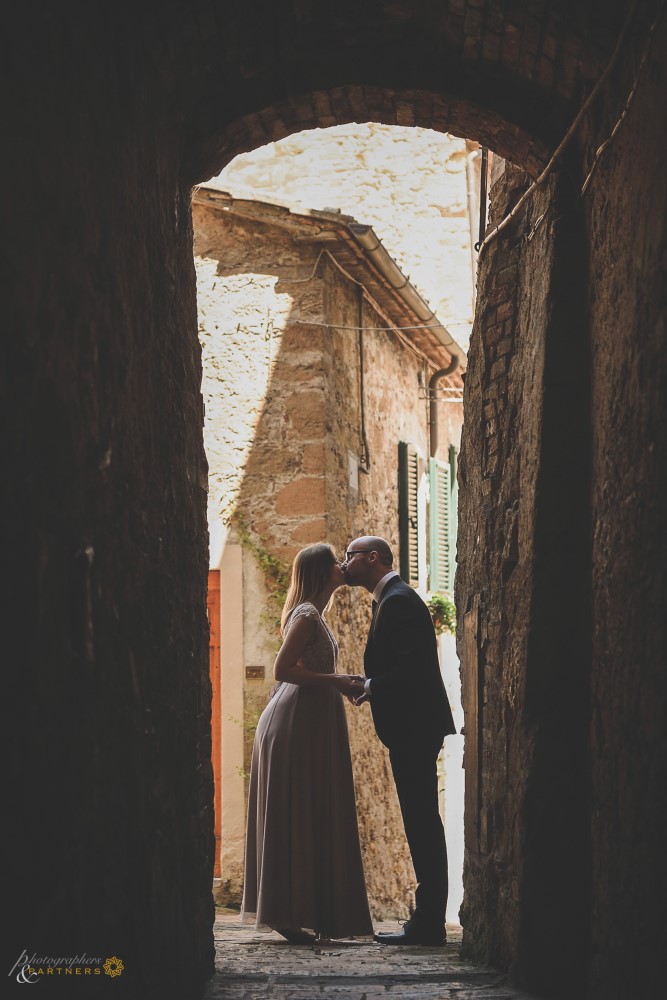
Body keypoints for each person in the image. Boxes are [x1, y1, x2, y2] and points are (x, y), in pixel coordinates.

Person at [241, 542, 373, 944]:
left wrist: (339, 684)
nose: (341, 566)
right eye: (336, 561)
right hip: (295, 720)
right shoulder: (307, 615)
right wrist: (337, 682)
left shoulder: (316, 615)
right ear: (320, 571)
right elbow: (283, 669)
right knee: (295, 809)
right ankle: (286, 912)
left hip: (310, 719)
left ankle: (301, 910)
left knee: (308, 809)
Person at [342, 535, 456, 946]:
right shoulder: (391, 598)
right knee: (421, 821)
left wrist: (369, 685)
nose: (344, 563)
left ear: (372, 558)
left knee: (422, 823)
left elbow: (412, 673)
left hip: (414, 729)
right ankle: (428, 920)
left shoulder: (399, 601)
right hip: (411, 729)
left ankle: (429, 923)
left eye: (350, 556)